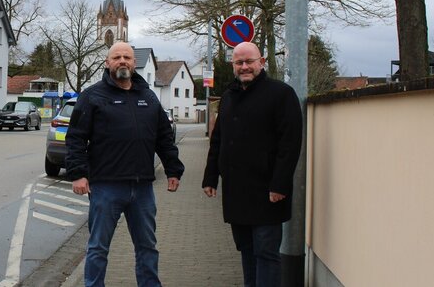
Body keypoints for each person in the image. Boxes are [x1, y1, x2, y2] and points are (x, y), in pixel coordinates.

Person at [66, 42, 184, 287]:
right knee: (98, 247)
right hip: (106, 187)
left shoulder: (148, 96)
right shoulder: (92, 96)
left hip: (142, 188)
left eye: (127, 57)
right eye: (117, 57)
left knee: (147, 248)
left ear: (134, 63)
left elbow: (163, 136)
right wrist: (78, 174)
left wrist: (173, 169)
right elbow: (76, 137)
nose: (122, 61)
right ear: (108, 63)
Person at [202, 41, 302, 287]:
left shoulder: (281, 94)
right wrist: (210, 176)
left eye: (249, 61)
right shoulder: (228, 96)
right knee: (246, 251)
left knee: (266, 253)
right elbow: (218, 140)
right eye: (239, 62)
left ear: (262, 62)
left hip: (268, 192)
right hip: (237, 191)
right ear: (233, 65)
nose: (244, 67)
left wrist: (280, 185)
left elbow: (289, 145)